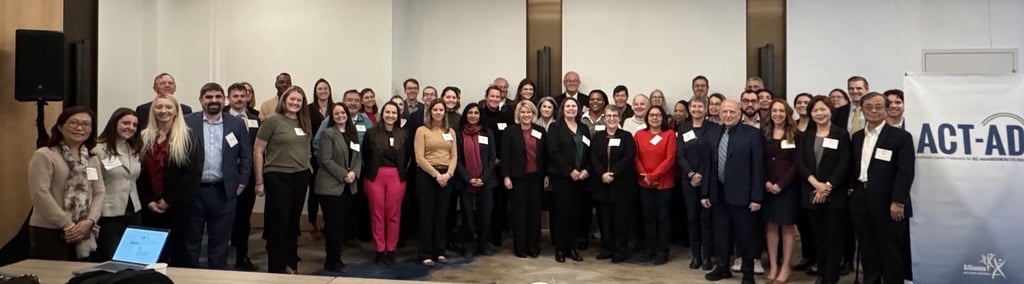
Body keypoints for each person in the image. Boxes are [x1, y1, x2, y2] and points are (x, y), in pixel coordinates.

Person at [182, 82, 252, 269]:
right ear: (201, 100)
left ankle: (216, 276)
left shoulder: (236, 123)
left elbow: (246, 154)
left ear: (224, 99)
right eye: (209, 97)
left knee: (220, 242)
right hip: (195, 191)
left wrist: (242, 183)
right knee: (192, 240)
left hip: (224, 191)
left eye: (218, 97)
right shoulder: (188, 122)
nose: (214, 101)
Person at [849, 92, 916, 284]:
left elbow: (905, 172)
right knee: (868, 248)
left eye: (879, 106)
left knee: (891, 250)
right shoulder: (857, 137)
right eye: (869, 106)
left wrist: (898, 201)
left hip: (889, 203)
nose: (874, 110)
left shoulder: (901, 137)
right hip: (862, 199)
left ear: (886, 110)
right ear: (861, 110)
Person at [28, 106, 105, 261]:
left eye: (85, 124)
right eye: (73, 123)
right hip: (50, 229)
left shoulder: (92, 158)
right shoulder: (45, 155)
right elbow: (40, 193)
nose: (79, 128)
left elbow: (99, 191)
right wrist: (67, 224)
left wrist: (90, 221)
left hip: (84, 231)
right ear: (60, 127)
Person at [702, 98, 765, 284]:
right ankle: (722, 268)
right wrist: (705, 193)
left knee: (745, 237)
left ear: (739, 114)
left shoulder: (752, 134)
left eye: (732, 112)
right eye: (725, 112)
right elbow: (708, 165)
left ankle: (747, 273)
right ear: (719, 114)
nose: (728, 115)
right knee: (720, 234)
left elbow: (758, 167)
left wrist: (756, 197)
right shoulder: (713, 133)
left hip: (743, 196)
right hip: (718, 194)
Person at [254, 86, 313, 274]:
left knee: (293, 223)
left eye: (299, 100)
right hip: (277, 177)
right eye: (292, 99)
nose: (295, 103)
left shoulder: (304, 122)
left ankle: (291, 264)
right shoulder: (272, 121)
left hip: (300, 176)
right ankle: (277, 268)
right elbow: (258, 151)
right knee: (278, 224)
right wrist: (259, 181)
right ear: (284, 100)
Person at [138, 94, 202, 266]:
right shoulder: (144, 137)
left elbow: (191, 174)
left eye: (168, 107)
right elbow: (139, 173)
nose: (163, 111)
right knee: (152, 254)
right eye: (159, 107)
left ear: (176, 111)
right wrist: (148, 201)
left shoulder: (188, 137)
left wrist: (168, 201)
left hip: (178, 206)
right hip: (150, 206)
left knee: (179, 252)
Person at [796, 96, 851, 284]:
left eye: (823, 109)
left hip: (834, 196)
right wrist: (816, 185)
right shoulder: (805, 136)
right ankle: (821, 275)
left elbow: (844, 163)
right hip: (811, 194)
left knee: (833, 241)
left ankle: (831, 278)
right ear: (810, 114)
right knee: (818, 239)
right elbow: (800, 164)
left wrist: (827, 186)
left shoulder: (841, 134)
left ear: (830, 111)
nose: (819, 113)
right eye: (815, 110)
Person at [314, 102, 362, 272]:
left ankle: (337, 258)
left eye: (343, 112)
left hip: (348, 186)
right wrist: (344, 174)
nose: (340, 115)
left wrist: (354, 173)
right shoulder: (328, 133)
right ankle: (331, 260)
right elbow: (325, 160)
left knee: (341, 225)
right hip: (330, 186)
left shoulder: (352, 132)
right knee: (332, 226)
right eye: (336, 113)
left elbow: (357, 156)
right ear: (332, 116)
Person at [676, 96, 720, 271]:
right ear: (689, 109)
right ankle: (695, 256)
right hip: (688, 181)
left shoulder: (714, 128)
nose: (696, 109)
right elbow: (680, 155)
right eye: (693, 106)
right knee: (692, 219)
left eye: (700, 106)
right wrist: (691, 173)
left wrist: (700, 174)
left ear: (706, 108)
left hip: (708, 180)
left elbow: (712, 154)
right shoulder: (684, 127)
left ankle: (707, 256)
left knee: (707, 220)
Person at [92, 108, 142, 262]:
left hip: (133, 211)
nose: (130, 128)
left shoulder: (133, 148)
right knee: (111, 259)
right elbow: (92, 182)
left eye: (134, 125)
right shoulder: (98, 149)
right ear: (114, 123)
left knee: (132, 259)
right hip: (108, 213)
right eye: (126, 123)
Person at [362, 102, 409, 265]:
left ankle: (391, 250)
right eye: (387, 112)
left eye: (394, 113)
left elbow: (407, 157)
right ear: (382, 114)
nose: (390, 115)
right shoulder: (371, 134)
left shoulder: (403, 134)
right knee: (377, 214)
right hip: (375, 176)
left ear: (398, 116)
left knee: (393, 214)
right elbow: (365, 155)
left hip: (396, 176)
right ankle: (380, 249)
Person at [413, 99, 459, 266]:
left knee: (442, 215)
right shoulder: (422, 130)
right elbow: (419, 157)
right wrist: (435, 175)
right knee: (427, 214)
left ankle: (439, 251)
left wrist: (448, 174)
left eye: (441, 110)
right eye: (435, 109)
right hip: (427, 175)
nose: (438, 112)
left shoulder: (450, 131)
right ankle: (425, 252)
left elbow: (454, 156)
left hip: (446, 175)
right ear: (430, 112)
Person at [546, 97, 591, 263]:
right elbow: (553, 152)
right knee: (561, 213)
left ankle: (572, 248)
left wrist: (586, 170)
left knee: (575, 213)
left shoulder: (584, 128)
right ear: (562, 109)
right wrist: (569, 171)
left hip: (581, 178)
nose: (571, 108)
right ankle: (560, 249)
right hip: (562, 177)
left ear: (578, 109)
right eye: (568, 106)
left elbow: (589, 151)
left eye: (574, 106)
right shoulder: (555, 127)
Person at [590, 106, 636, 263]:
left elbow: (628, 158)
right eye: (608, 116)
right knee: (604, 219)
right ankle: (606, 248)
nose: (611, 118)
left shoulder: (627, 137)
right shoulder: (597, 137)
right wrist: (602, 173)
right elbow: (593, 157)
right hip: (601, 184)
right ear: (604, 118)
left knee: (620, 220)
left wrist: (613, 174)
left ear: (619, 118)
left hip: (621, 185)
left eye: (614, 115)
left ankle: (620, 250)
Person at [502, 101, 548, 258]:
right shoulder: (510, 132)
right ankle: (520, 248)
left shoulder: (540, 131)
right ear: (518, 115)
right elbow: (505, 156)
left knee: (535, 214)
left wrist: (546, 174)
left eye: (529, 112)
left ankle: (533, 247)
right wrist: (506, 176)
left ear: (534, 114)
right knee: (519, 214)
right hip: (517, 178)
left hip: (536, 177)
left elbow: (545, 156)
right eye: (523, 112)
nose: (526, 115)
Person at [762, 99, 801, 283]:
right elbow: (759, 159)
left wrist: (781, 184)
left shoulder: (795, 134)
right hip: (767, 186)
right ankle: (773, 265)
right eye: (774, 111)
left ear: (787, 114)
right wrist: (766, 182)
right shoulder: (765, 133)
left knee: (787, 227)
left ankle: (785, 266)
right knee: (770, 226)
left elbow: (797, 164)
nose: (777, 114)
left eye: (781, 111)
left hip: (788, 188)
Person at [633, 105, 677, 265]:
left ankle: (662, 251)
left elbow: (670, 159)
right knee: (648, 217)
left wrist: (653, 176)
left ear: (663, 117)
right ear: (647, 117)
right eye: (651, 115)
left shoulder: (669, 134)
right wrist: (645, 175)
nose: (654, 118)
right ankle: (649, 249)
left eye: (658, 115)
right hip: (644, 183)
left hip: (663, 184)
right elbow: (635, 157)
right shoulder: (639, 135)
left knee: (663, 217)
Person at [225, 83, 261, 271]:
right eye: (235, 95)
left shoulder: (255, 119)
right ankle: (220, 256)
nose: (239, 99)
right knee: (224, 217)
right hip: (225, 177)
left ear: (248, 97)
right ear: (228, 97)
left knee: (244, 219)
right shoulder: (221, 117)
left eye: (242, 95)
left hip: (249, 176)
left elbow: (259, 149)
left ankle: (242, 255)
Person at [455, 103, 497, 256]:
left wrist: (483, 178)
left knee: (485, 215)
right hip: (465, 182)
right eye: (470, 113)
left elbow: (492, 159)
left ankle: (483, 244)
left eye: (476, 113)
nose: (473, 115)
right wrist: (469, 178)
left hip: (486, 182)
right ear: (466, 115)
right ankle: (469, 245)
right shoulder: (458, 134)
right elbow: (457, 159)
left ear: (480, 116)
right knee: (467, 215)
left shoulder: (488, 133)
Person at [477, 86, 513, 247]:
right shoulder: (479, 115)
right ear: (486, 97)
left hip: (501, 166)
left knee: (500, 203)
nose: (494, 99)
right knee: (484, 204)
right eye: (492, 96)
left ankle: (496, 236)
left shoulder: (506, 116)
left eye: (497, 96)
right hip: (483, 167)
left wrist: (501, 160)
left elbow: (510, 139)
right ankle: (483, 236)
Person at [306, 79, 334, 241]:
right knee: (314, 191)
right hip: (314, 155)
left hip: (331, 155)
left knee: (329, 191)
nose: (323, 91)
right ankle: (311, 223)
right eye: (320, 89)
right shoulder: (309, 109)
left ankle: (327, 223)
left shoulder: (335, 108)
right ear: (316, 92)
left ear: (329, 91)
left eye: (325, 88)